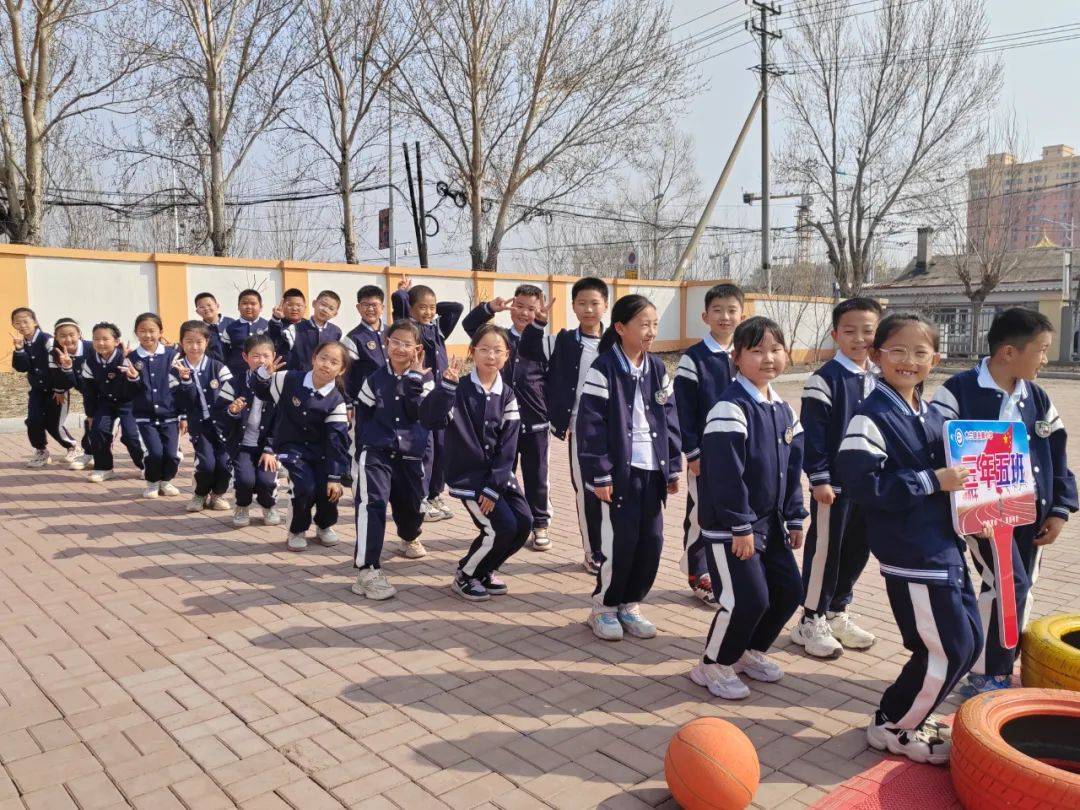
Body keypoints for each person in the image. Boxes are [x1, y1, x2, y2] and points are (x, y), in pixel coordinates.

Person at [838, 313, 982, 765]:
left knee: (969, 642)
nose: (908, 360)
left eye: (920, 352)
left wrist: (980, 503)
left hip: (945, 545)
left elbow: (958, 475)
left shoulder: (932, 413)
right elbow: (861, 486)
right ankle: (895, 726)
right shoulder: (870, 417)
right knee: (946, 648)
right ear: (876, 355)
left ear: (935, 359)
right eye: (897, 350)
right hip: (912, 551)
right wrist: (931, 480)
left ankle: (907, 716)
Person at [931, 307, 1077, 694]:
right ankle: (987, 671)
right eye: (1041, 350)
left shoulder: (1037, 397)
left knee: (1017, 587)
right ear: (1009, 352)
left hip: (1030, 512)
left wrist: (1060, 508)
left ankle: (998, 663)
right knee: (1009, 583)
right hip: (983, 514)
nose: (1046, 359)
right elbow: (933, 447)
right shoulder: (959, 391)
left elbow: (1058, 454)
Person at [688, 316, 806, 699]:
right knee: (746, 599)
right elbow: (725, 475)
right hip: (732, 527)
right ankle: (712, 664)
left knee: (789, 591)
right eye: (756, 351)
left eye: (775, 349)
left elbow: (792, 470)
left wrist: (795, 517)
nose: (768, 358)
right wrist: (740, 526)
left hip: (770, 524)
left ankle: (748, 651)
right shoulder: (730, 407)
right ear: (736, 358)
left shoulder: (783, 409)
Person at [576, 294, 681, 642]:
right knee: (619, 542)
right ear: (620, 328)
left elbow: (670, 419)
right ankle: (604, 607)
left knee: (651, 541)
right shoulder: (604, 368)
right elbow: (591, 426)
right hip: (620, 473)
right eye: (644, 324)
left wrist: (672, 466)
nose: (651, 331)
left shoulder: (658, 369)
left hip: (652, 470)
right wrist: (601, 473)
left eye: (655, 324)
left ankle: (630, 603)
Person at [791, 297, 882, 659]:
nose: (859, 339)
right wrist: (819, 478)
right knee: (826, 551)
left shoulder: (881, 376)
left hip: (871, 485)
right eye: (850, 331)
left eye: (868, 331)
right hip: (835, 486)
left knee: (858, 549)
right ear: (835, 335)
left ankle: (837, 610)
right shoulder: (825, 380)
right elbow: (813, 435)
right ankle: (810, 618)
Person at [420, 324, 531, 601]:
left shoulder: (507, 394)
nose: (491, 356)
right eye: (484, 349)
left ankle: (485, 569)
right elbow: (431, 419)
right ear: (472, 352)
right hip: (469, 476)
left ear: (506, 355)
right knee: (500, 527)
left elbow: (509, 444)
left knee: (524, 523)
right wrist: (446, 388)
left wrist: (495, 485)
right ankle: (466, 574)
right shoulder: (458, 389)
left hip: (499, 477)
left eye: (497, 350)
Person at [519, 276, 609, 573]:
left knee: (615, 491)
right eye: (582, 303)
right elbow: (528, 350)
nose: (588, 309)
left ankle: (614, 549)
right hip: (581, 428)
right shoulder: (562, 341)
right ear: (573, 306)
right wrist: (538, 323)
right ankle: (593, 552)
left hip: (616, 428)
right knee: (587, 491)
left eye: (594, 303)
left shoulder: (616, 342)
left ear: (605, 306)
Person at [462, 284, 551, 550]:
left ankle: (540, 524)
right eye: (519, 306)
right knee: (502, 473)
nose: (524, 313)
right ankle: (503, 522)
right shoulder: (498, 338)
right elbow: (469, 325)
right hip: (500, 421)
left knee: (537, 477)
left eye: (531, 308)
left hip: (535, 421)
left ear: (540, 310)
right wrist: (489, 308)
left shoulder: (546, 342)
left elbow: (556, 380)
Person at [352, 320, 434, 600]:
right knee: (371, 504)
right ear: (386, 344)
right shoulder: (374, 379)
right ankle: (367, 570)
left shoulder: (426, 379)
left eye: (407, 344)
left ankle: (409, 536)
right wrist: (360, 453)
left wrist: (414, 381)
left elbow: (419, 414)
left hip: (411, 455)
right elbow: (363, 417)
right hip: (377, 451)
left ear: (417, 349)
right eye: (395, 341)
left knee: (412, 508)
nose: (400, 348)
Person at [674, 283, 742, 604]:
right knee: (701, 512)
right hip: (705, 455)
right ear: (705, 316)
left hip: (740, 454)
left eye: (731, 310)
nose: (725, 317)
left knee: (733, 510)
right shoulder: (694, 359)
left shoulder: (746, 354)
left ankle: (725, 569)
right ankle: (697, 571)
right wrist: (693, 452)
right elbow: (683, 410)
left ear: (742, 315)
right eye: (717, 310)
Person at [252, 341, 350, 551]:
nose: (326, 364)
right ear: (314, 358)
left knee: (329, 489)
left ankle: (324, 525)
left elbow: (337, 440)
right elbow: (260, 392)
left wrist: (335, 476)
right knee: (304, 487)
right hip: (292, 448)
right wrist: (263, 375)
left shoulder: (336, 400)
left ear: (341, 370)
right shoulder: (288, 378)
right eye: (323, 358)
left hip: (323, 452)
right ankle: (297, 530)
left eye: (334, 362)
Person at [392, 277, 464, 522]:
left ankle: (435, 494)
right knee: (426, 449)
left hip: (441, 395)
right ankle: (420, 498)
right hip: (420, 395)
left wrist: (432, 307)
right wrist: (405, 294)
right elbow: (399, 303)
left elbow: (456, 308)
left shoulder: (437, 329)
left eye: (432, 308)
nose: (428, 312)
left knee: (443, 448)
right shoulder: (410, 329)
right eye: (422, 307)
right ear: (411, 309)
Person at [215, 334, 281, 528]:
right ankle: (242, 506)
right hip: (241, 445)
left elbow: (282, 421)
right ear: (245, 357)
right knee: (245, 480)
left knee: (266, 481)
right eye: (255, 356)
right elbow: (219, 416)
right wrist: (232, 411)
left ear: (273, 356)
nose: (261, 360)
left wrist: (270, 449)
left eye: (266, 356)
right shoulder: (234, 383)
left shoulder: (279, 384)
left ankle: (269, 506)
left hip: (267, 446)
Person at [173, 320, 234, 513]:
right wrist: (186, 381)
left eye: (199, 342)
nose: (194, 346)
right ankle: (199, 494)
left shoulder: (218, 367)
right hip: (200, 426)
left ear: (207, 342)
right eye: (189, 341)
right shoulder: (176, 369)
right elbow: (181, 400)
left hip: (223, 425)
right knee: (206, 464)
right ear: (181, 342)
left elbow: (232, 393)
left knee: (224, 464)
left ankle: (217, 495)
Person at [73, 322, 145, 482]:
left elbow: (138, 386)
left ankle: (146, 467)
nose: (100, 343)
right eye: (96, 339)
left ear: (116, 341)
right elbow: (89, 392)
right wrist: (90, 414)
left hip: (129, 403)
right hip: (106, 403)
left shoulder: (126, 358)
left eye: (105, 339)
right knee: (98, 430)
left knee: (131, 436)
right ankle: (104, 468)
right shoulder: (90, 362)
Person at [127, 313, 187, 498]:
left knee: (172, 454)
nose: (147, 335)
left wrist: (183, 416)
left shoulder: (172, 356)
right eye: (142, 331)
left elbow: (181, 389)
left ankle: (166, 481)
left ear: (161, 332)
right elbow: (127, 391)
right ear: (136, 333)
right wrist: (133, 379)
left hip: (170, 416)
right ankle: (152, 482)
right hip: (145, 416)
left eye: (152, 331)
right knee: (154, 453)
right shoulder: (131, 358)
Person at [11, 307, 78, 467]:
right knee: (33, 421)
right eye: (17, 323)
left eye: (25, 321)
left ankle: (73, 447)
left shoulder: (47, 340)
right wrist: (19, 350)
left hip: (56, 390)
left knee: (54, 424)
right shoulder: (22, 342)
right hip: (37, 390)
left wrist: (59, 389)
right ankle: (41, 451)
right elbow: (22, 367)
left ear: (34, 322)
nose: (22, 325)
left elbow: (59, 365)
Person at [48, 317, 95, 470]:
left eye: (71, 335)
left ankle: (96, 454)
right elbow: (61, 378)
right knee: (90, 422)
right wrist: (60, 389)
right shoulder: (55, 353)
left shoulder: (91, 348)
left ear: (79, 334)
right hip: (87, 393)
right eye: (62, 336)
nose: (68, 339)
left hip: (103, 391)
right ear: (56, 337)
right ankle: (90, 453)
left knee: (98, 423)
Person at [268, 288, 343, 370]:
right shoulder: (295, 329)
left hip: (324, 376)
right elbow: (276, 343)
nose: (325, 310)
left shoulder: (336, 332)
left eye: (331, 308)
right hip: (300, 375)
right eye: (323, 305)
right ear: (314, 303)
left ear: (335, 314)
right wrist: (276, 320)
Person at [342, 285, 389, 404]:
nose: (370, 309)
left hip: (393, 396)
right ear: (358, 308)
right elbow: (346, 375)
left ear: (382, 307)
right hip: (367, 401)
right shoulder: (352, 338)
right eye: (365, 305)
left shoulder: (392, 333)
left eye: (374, 305)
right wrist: (348, 402)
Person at [222, 289, 269, 376]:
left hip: (263, 373)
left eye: (253, 304)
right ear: (238, 306)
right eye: (244, 303)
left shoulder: (267, 326)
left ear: (261, 307)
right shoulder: (230, 328)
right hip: (237, 374)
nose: (249, 307)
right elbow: (224, 353)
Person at [194, 292, 233, 364]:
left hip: (233, 367)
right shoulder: (198, 329)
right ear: (197, 311)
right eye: (201, 307)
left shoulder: (231, 323)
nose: (206, 308)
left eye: (209, 305)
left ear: (217, 305)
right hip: (212, 367)